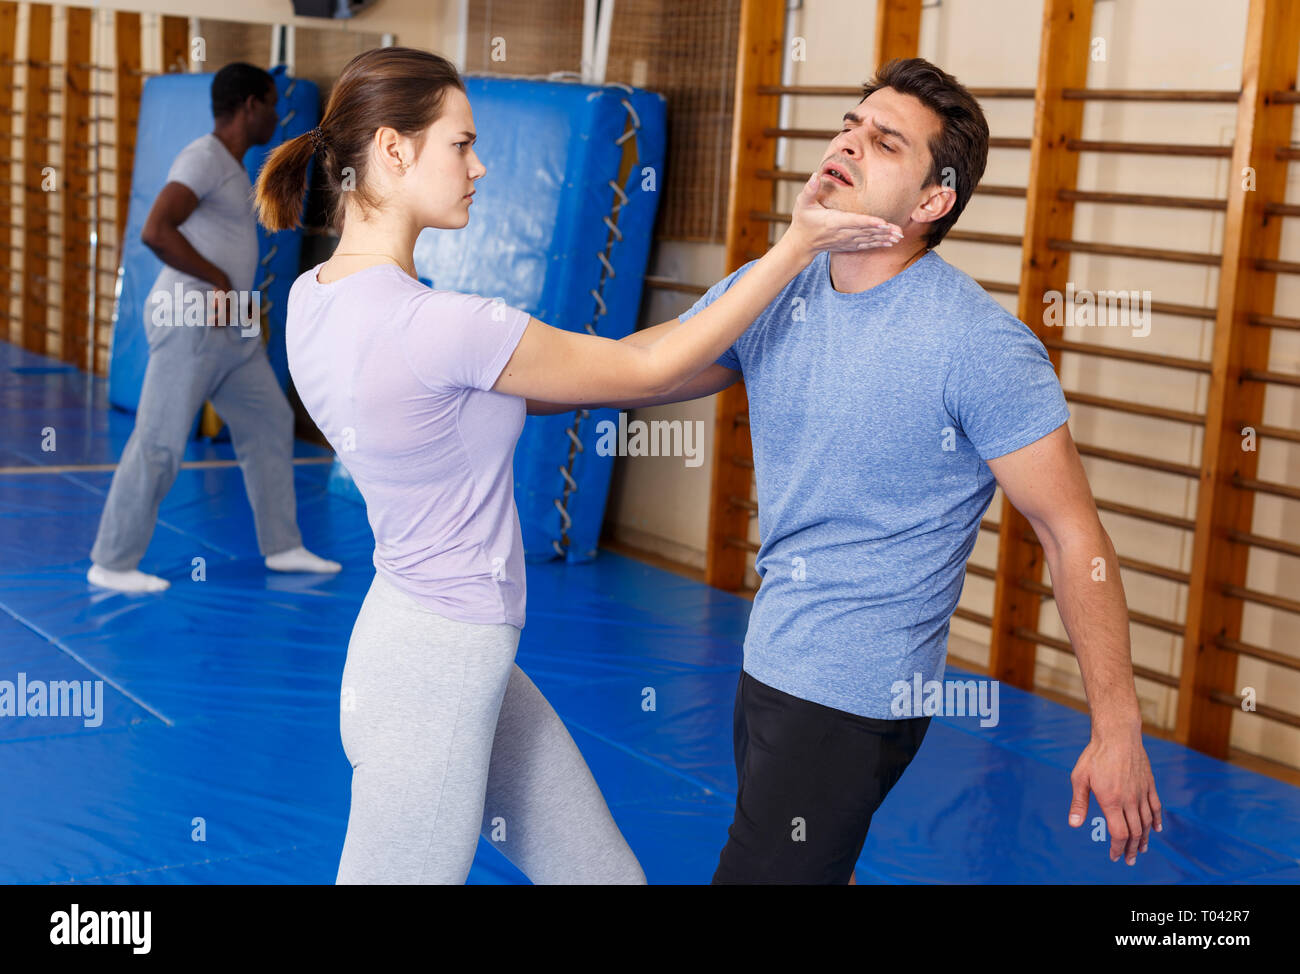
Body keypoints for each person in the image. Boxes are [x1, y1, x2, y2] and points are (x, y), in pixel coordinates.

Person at [253, 46, 900, 885]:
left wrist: (735, 340)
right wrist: (796, 249)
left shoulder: (316, 300)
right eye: (461, 144)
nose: (480, 165)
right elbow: (639, 373)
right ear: (394, 149)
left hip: (422, 643)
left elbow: (583, 377)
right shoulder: (444, 325)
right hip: (437, 672)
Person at [535, 57, 1164, 884]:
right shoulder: (776, 285)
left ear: (933, 200)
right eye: (850, 126)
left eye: (886, 143)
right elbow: (629, 369)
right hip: (772, 656)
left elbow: (1069, 528)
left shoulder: (979, 344)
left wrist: (1117, 726)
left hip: (853, 691)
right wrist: (476, 374)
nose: (850, 144)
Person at [87, 62, 340, 594]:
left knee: (270, 422)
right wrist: (220, 281)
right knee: (159, 443)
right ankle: (111, 561)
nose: (277, 114)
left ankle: (283, 546)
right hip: (191, 324)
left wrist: (236, 301)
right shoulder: (202, 157)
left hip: (230, 330)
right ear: (249, 105)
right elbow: (157, 230)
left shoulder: (231, 164)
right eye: (271, 103)